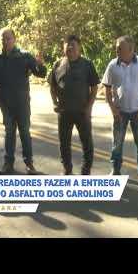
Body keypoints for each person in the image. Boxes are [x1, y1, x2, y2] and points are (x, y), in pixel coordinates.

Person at [0, 27, 47, 175]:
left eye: (8, 38)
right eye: (3, 39)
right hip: (6, 105)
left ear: (14, 39)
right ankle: (8, 164)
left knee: (25, 133)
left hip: (22, 103)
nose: (6, 41)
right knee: (9, 133)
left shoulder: (24, 56)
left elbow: (40, 74)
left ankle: (29, 164)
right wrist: (0, 100)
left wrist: (40, 64)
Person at [101, 36, 138, 185]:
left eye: (120, 48)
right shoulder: (112, 65)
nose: (116, 50)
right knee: (117, 144)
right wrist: (112, 108)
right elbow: (106, 88)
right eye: (116, 48)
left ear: (131, 50)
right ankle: (116, 170)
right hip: (120, 112)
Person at [48, 35, 100, 175]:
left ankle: (86, 170)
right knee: (64, 143)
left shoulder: (87, 64)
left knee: (87, 143)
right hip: (64, 112)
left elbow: (94, 88)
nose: (70, 47)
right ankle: (67, 168)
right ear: (63, 47)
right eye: (67, 44)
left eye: (73, 44)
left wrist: (89, 107)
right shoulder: (58, 64)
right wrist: (54, 102)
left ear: (79, 47)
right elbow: (52, 86)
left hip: (82, 111)